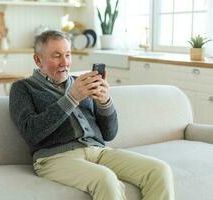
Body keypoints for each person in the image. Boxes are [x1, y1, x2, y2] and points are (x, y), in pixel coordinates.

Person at [9, 30, 175, 200]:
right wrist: (72, 98)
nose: (64, 63)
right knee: (106, 179)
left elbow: (109, 134)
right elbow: (31, 132)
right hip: (55, 158)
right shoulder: (22, 88)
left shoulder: (80, 83)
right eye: (56, 56)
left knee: (159, 170)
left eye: (68, 55)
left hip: (98, 151)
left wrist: (104, 102)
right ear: (38, 60)